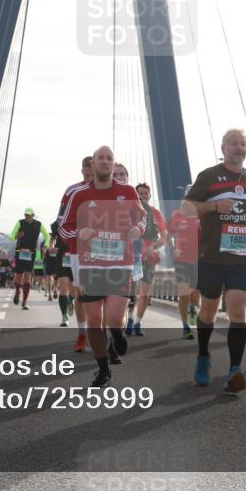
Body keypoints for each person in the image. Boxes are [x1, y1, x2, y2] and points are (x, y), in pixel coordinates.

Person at [58, 146, 146, 388]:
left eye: (109, 158)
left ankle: (116, 333)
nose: (105, 162)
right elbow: (63, 227)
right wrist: (79, 232)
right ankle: (103, 370)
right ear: (93, 165)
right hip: (90, 265)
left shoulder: (127, 191)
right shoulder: (79, 194)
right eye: (100, 158)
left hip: (120, 262)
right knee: (95, 320)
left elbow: (142, 219)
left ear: (114, 163)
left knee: (115, 317)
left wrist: (137, 228)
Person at [183, 129, 246, 393]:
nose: (238, 148)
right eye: (233, 144)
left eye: (242, 144)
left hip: (242, 257)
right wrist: (214, 207)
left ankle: (235, 370)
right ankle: (203, 356)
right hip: (212, 257)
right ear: (223, 147)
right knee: (208, 311)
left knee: (238, 310)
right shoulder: (209, 176)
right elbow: (187, 208)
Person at [57, 156, 94, 350]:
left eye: (93, 175)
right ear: (82, 172)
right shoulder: (72, 191)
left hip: (104, 250)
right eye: (86, 175)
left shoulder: (108, 190)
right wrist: (76, 234)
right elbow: (60, 220)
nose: (89, 179)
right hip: (78, 249)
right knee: (81, 291)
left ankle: (99, 333)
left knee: (101, 293)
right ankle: (82, 333)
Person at [127, 182, 168, 337]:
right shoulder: (130, 212)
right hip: (132, 257)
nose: (143, 196)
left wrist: (154, 247)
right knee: (131, 292)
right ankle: (130, 318)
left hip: (149, 258)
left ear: (150, 196)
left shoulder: (156, 213)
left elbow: (164, 238)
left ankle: (138, 321)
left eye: (146, 193)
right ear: (135, 195)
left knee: (145, 293)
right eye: (140, 193)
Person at [169, 185, 201, 339]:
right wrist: (173, 248)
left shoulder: (202, 216)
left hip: (197, 260)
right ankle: (185, 326)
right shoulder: (177, 215)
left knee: (195, 295)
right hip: (181, 260)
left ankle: (193, 310)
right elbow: (167, 234)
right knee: (184, 295)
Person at [9, 207, 50, 310]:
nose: (26, 217)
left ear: (33, 215)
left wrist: (46, 245)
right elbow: (11, 236)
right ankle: (18, 291)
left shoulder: (38, 224)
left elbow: (47, 236)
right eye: (25, 215)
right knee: (18, 277)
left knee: (27, 277)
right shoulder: (20, 223)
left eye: (28, 215)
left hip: (31, 253)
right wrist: (17, 235)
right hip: (20, 252)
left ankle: (24, 302)